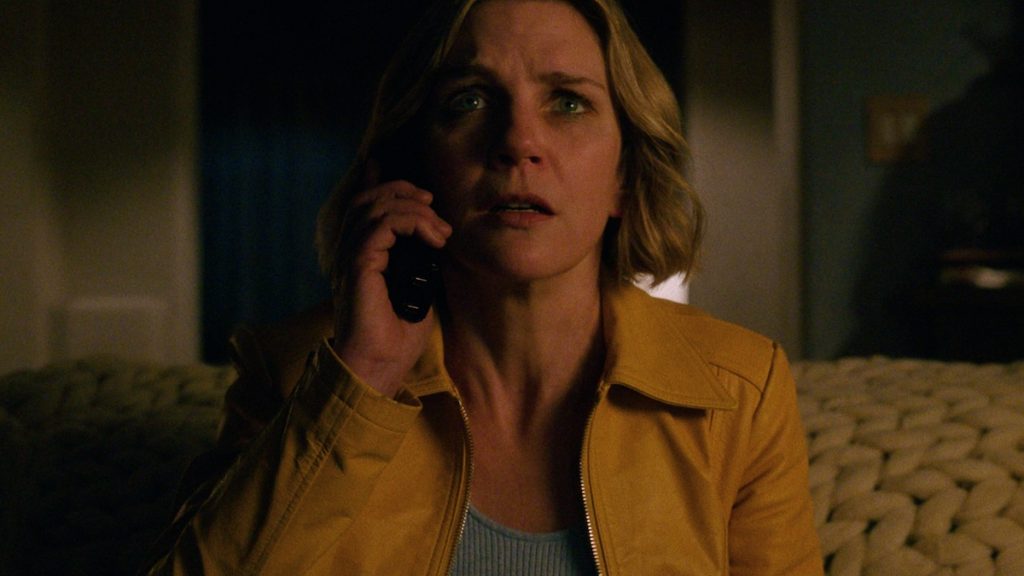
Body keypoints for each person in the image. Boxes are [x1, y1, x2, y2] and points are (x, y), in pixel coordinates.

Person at [146, 0, 823, 573]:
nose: (518, 141)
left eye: (568, 102)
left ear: (624, 176)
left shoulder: (740, 391)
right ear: (412, 165)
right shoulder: (295, 371)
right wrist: (363, 379)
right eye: (468, 100)